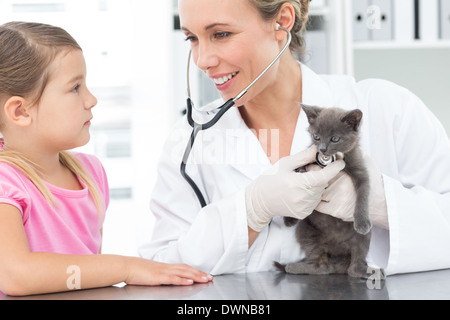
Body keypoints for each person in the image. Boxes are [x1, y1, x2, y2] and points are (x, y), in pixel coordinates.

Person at [138, 0, 450, 276]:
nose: (203, 60)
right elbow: (160, 267)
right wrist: (248, 210)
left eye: (221, 34)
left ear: (282, 21)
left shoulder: (388, 109)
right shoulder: (189, 142)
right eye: (192, 38)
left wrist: (379, 203)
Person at [0, 21, 213, 297]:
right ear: (20, 111)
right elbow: (16, 276)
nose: (91, 99)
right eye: (75, 88)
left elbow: (82, 278)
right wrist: (126, 268)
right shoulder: (6, 181)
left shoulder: (90, 174)